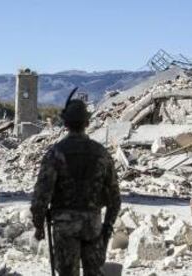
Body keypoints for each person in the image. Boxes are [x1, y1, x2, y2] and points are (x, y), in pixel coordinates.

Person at [30, 89, 121, 276]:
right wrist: (107, 229)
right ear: (87, 123)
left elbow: (41, 196)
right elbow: (115, 198)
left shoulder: (56, 153)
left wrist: (39, 226)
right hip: (93, 227)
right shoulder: (101, 154)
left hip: (65, 228)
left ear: (65, 123)